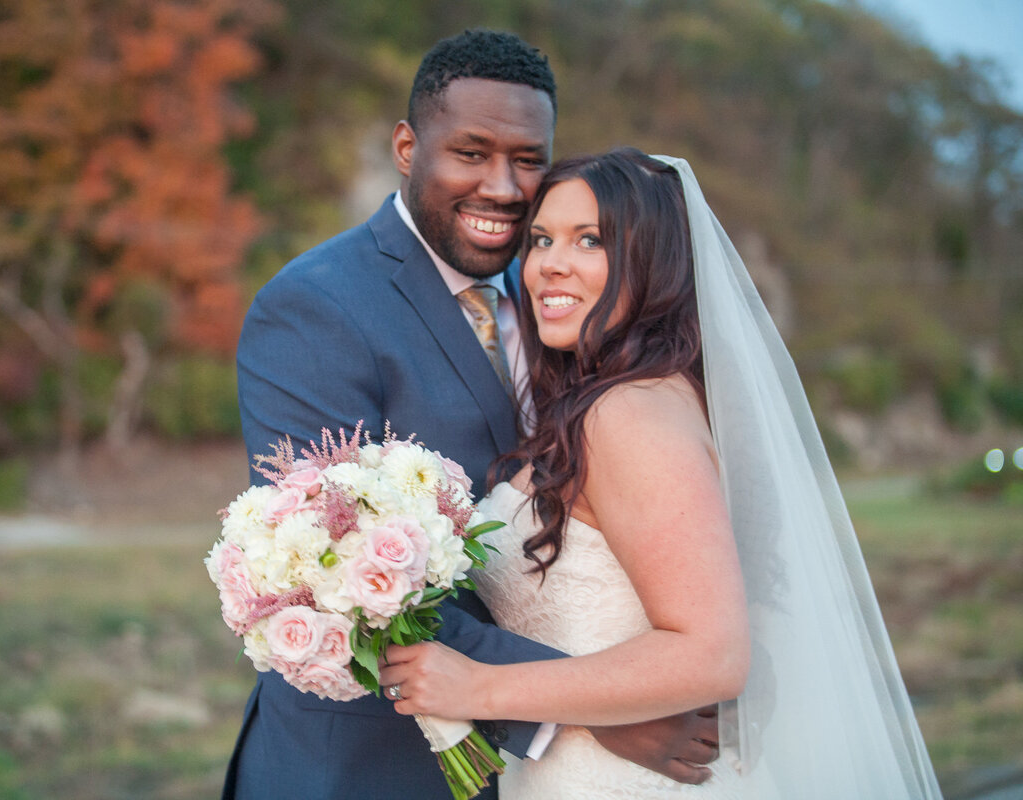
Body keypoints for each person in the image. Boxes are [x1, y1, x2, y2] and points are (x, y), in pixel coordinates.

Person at [226, 31, 720, 800]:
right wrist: (588, 709)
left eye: (528, 159)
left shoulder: (561, 289)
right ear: (405, 145)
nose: (505, 187)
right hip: (371, 769)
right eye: (472, 152)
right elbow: (342, 575)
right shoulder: (314, 309)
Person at [378, 149, 943, 798]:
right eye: (540, 240)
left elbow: (712, 654)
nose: (549, 264)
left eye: (590, 240)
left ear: (655, 264)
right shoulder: (621, 399)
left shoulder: (629, 413)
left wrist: (480, 685)